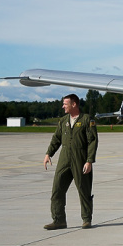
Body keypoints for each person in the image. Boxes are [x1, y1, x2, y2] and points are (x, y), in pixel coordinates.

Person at [43, 94, 98, 230]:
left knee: (84, 190)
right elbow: (56, 138)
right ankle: (59, 220)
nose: (63, 106)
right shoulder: (63, 121)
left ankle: (86, 219)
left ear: (74, 104)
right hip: (64, 158)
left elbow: (92, 141)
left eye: (65, 104)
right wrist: (48, 153)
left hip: (80, 159)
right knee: (57, 189)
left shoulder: (86, 120)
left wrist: (89, 161)